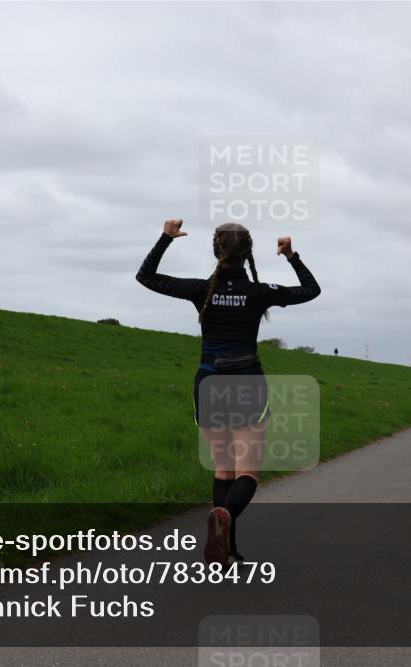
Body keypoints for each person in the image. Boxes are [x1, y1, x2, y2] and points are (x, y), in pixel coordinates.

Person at [136, 219, 320, 565]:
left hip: (209, 382)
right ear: (248, 252)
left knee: (224, 471)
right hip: (247, 381)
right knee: (247, 474)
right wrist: (291, 256)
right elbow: (312, 290)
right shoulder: (260, 292)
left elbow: (146, 277)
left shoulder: (200, 289)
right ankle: (225, 522)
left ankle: (226, 550)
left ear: (216, 252)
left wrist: (165, 238)